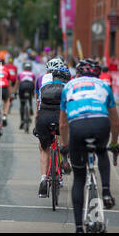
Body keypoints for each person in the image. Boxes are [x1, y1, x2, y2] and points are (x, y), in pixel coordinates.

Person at [59, 59, 119, 233]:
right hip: (100, 124)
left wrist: (65, 145)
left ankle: (79, 228)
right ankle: (107, 192)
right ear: (97, 73)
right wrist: (114, 143)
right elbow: (115, 122)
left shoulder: (69, 86)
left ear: (78, 73)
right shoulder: (103, 85)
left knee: (79, 178)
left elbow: (63, 124)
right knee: (102, 151)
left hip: (77, 127)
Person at [35, 66, 72, 198]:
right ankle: (65, 159)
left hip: (43, 119)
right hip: (59, 118)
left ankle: (43, 179)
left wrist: (36, 126)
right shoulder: (68, 88)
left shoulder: (44, 88)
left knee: (44, 148)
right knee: (65, 135)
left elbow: (38, 107)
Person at [16, 62, 36, 129]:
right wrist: (34, 92)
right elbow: (34, 83)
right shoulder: (32, 74)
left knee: (22, 104)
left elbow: (18, 83)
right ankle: (30, 107)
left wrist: (16, 92)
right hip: (30, 85)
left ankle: (22, 120)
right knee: (30, 96)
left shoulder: (20, 73)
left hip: (23, 85)